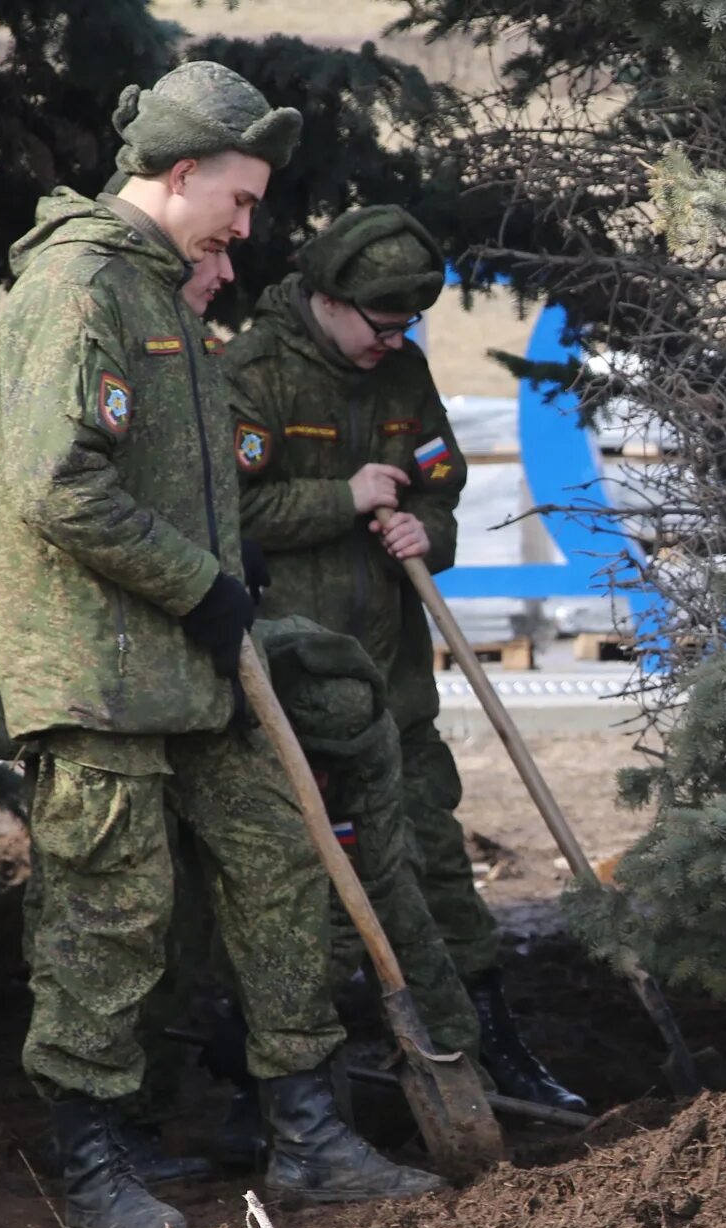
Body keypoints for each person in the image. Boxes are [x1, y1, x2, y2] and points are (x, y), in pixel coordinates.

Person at [0, 62, 443, 1228]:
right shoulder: (77, 288)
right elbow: (58, 484)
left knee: (279, 862)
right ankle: (94, 1149)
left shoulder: (159, 291)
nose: (250, 227)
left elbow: (179, 466)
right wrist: (200, 581)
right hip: (97, 667)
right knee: (106, 913)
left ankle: (310, 1135)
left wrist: (232, 575)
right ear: (180, 177)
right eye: (244, 200)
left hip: (194, 656)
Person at [225, 207, 581, 1112]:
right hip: (295, 695)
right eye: (381, 325)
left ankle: (489, 1046)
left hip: (399, 685)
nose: (396, 341)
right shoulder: (251, 377)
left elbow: (440, 481)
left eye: (408, 325)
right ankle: (287, 1085)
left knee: (434, 863)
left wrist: (435, 527)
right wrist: (338, 498)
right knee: (303, 888)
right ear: (328, 298)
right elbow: (218, 518)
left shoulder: (405, 375)